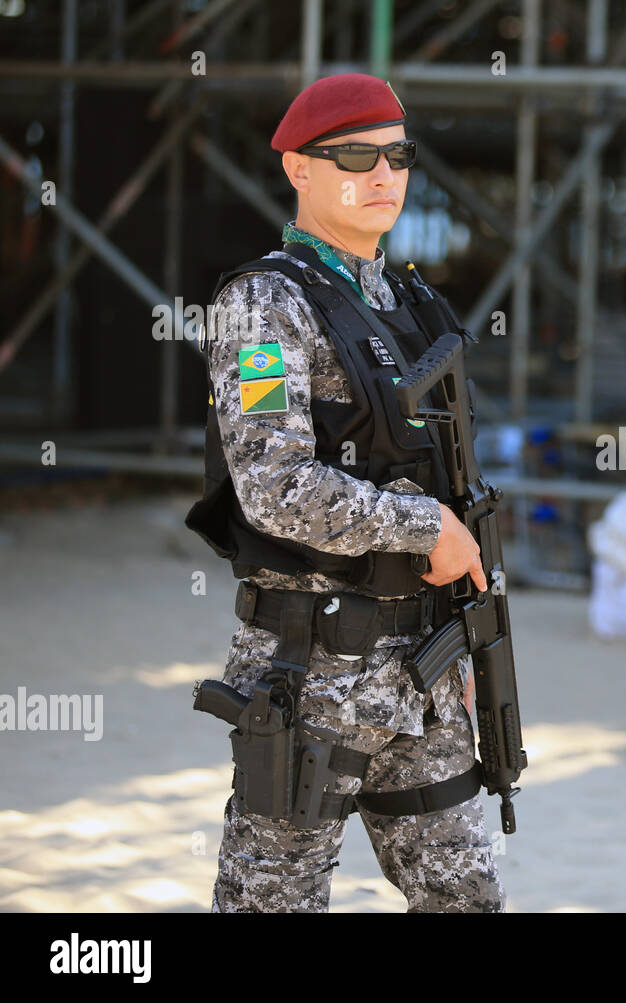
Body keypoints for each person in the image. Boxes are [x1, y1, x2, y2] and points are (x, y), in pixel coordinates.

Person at [186, 73, 504, 911]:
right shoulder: (264, 304)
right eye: (355, 156)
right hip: (312, 673)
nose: (384, 175)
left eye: (397, 155)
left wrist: (465, 633)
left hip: (422, 674)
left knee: (465, 897)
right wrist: (421, 526)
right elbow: (272, 485)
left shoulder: (412, 304)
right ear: (299, 167)